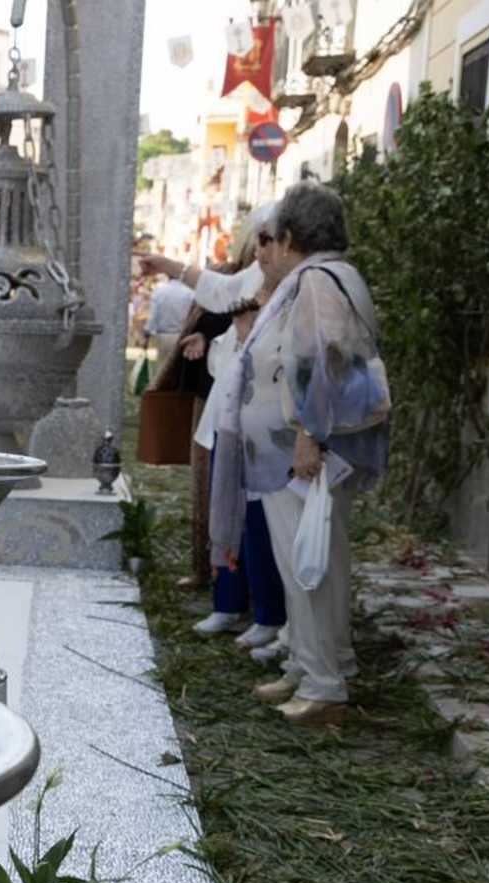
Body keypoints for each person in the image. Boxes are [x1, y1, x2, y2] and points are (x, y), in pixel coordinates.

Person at [210, 182, 388, 727]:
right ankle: (313, 665)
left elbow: (318, 359)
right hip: (297, 452)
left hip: (303, 454)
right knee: (314, 564)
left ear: (290, 237)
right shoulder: (329, 275)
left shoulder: (314, 280)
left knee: (309, 568)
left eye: (273, 236)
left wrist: (309, 435)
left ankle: (322, 686)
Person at [172, 203, 286, 648]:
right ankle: (228, 602)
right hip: (233, 417)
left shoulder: (298, 288)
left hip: (267, 421)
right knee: (228, 512)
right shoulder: (253, 279)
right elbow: (221, 298)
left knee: (259, 520)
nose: (259, 249)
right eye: (256, 239)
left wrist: (244, 331)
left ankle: (269, 613)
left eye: (266, 239)